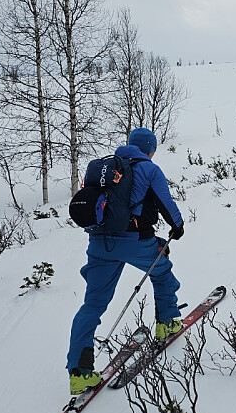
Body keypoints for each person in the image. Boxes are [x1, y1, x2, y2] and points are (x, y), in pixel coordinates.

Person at [66, 127, 186, 395]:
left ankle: (79, 373)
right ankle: (167, 323)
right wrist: (177, 227)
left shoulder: (107, 168)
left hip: (99, 243)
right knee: (162, 271)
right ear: (150, 148)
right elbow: (167, 204)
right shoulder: (149, 169)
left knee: (92, 305)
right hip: (136, 242)